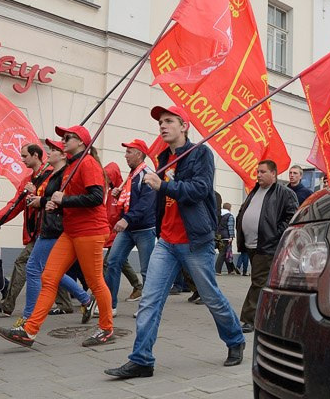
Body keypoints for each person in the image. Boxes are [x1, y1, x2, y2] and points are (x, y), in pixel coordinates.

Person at [105, 106, 245, 379]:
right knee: (149, 300)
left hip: (194, 242)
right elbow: (161, 198)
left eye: (169, 121)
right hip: (167, 242)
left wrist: (163, 185)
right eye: (160, 122)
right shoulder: (163, 158)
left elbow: (201, 190)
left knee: (211, 297)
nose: (162, 126)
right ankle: (142, 359)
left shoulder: (200, 153)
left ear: (184, 126)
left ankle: (235, 339)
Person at [0, 124, 114, 348]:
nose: (63, 140)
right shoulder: (70, 167)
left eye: (68, 137)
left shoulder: (87, 163)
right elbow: (70, 199)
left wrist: (63, 200)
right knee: (49, 277)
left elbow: (96, 198)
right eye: (63, 137)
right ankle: (29, 331)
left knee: (95, 281)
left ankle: (106, 329)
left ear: (80, 142)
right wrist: (54, 205)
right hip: (70, 231)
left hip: (90, 231)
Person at [5, 138, 94, 330]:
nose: (49, 152)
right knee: (50, 271)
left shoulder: (65, 174)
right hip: (47, 226)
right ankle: (86, 299)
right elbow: (48, 199)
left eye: (53, 149)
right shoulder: (54, 174)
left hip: (56, 227)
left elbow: (68, 199)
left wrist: (43, 200)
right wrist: (38, 198)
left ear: (63, 154)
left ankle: (28, 320)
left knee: (33, 268)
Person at [0, 144, 52, 316]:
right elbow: (16, 203)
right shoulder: (28, 180)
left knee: (24, 263)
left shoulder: (51, 176)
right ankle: (77, 300)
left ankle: (9, 305)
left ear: (36, 155)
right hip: (36, 231)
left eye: (24, 156)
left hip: (48, 230)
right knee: (49, 269)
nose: (22, 160)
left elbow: (53, 200)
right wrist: (0, 218)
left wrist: (35, 191)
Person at [236, 160, 298, 333]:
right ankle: (274, 313)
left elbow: (291, 217)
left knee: (258, 281)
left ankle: (250, 319)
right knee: (263, 281)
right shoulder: (255, 191)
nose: (259, 175)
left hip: (267, 245)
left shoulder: (285, 193)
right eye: (257, 172)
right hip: (250, 244)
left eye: (263, 172)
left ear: (274, 174)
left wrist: (274, 235)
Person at [104, 140, 156, 311]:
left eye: (129, 152)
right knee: (112, 262)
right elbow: (130, 200)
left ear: (139, 154)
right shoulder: (132, 175)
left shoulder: (146, 173)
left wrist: (126, 219)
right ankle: (110, 306)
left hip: (144, 229)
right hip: (128, 229)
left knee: (147, 270)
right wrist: (118, 195)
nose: (125, 156)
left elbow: (146, 203)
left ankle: (147, 308)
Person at [215, 201, 236, 275]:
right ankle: (217, 270)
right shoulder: (229, 216)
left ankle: (231, 270)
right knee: (223, 253)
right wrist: (231, 236)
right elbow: (230, 226)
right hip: (226, 237)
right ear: (229, 208)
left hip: (218, 236)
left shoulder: (218, 215)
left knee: (227, 253)